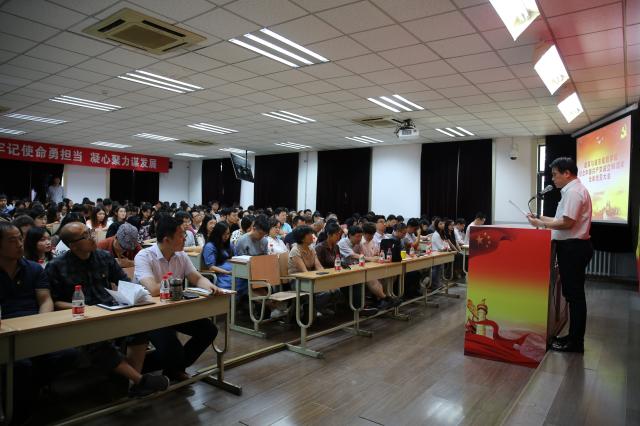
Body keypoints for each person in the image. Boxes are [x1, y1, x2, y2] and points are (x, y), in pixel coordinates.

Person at [46, 222, 169, 396]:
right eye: (85, 236)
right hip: (80, 319)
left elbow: (124, 282)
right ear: (73, 246)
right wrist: (83, 308)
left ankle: (132, 383)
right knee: (96, 339)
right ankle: (140, 380)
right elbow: (55, 301)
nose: (92, 237)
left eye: (91, 232)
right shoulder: (57, 266)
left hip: (109, 311)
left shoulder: (104, 257)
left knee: (139, 328)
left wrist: (136, 296)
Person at [134, 216, 221, 381]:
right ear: (167, 240)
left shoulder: (181, 255)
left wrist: (210, 286)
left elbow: (197, 278)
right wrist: (174, 284)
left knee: (209, 330)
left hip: (174, 311)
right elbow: (153, 289)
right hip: (150, 315)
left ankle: (175, 368)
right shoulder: (144, 256)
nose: (185, 238)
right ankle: (136, 367)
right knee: (174, 350)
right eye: (181, 235)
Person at [527, 157, 593, 353]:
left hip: (573, 249)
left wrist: (541, 224)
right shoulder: (573, 190)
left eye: (555, 174)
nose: (553, 179)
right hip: (573, 248)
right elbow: (560, 219)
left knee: (575, 296)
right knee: (573, 296)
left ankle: (576, 342)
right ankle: (573, 338)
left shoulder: (573, 192)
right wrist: (539, 217)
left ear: (567, 173)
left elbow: (567, 223)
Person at [361, 222, 400, 309]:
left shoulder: (372, 242)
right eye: (369, 235)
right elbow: (360, 258)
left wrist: (378, 255)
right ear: (364, 233)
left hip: (374, 266)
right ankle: (385, 299)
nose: (371, 237)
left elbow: (376, 253)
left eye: (372, 235)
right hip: (366, 269)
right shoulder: (360, 242)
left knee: (391, 274)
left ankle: (386, 297)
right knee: (373, 278)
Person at [202, 222, 237, 293]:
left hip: (233, 271)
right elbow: (211, 267)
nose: (226, 236)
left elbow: (236, 258)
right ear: (217, 234)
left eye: (228, 234)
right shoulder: (210, 246)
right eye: (224, 234)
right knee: (232, 281)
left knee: (244, 280)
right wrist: (227, 272)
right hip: (222, 274)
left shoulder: (229, 244)